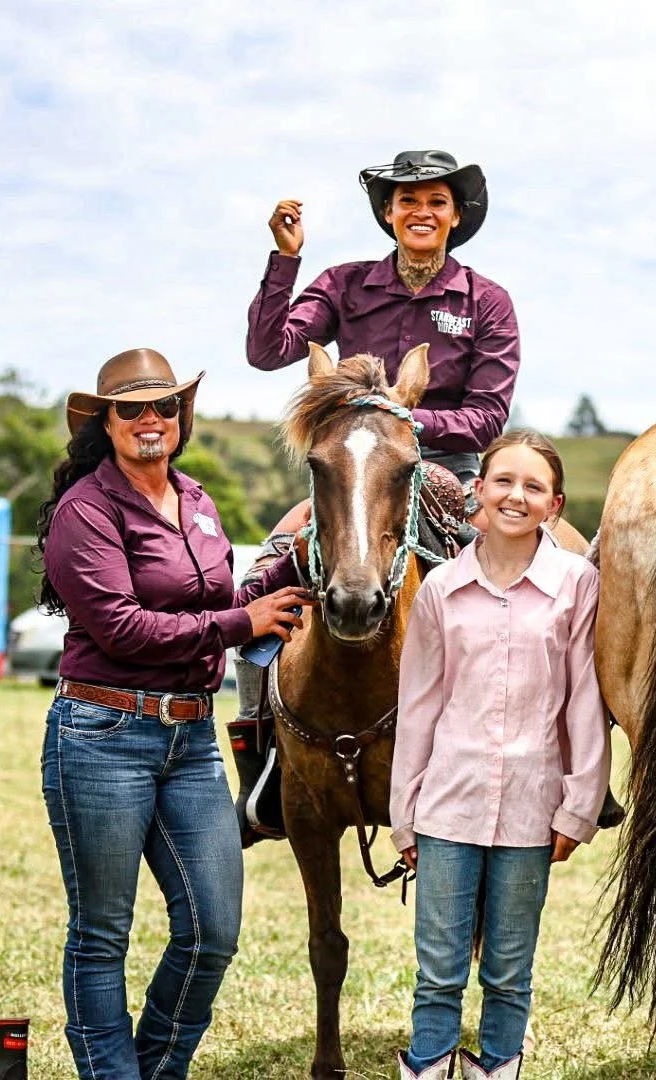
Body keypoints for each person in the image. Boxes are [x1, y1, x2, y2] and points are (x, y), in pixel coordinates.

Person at [37, 347, 316, 1080]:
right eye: (132, 409)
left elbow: (219, 603)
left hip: (189, 737)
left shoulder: (196, 499)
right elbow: (122, 627)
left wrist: (300, 560)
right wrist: (242, 624)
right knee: (102, 933)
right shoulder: (85, 510)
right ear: (106, 423)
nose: (151, 419)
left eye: (165, 406)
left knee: (212, 931)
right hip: (102, 734)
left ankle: (155, 1070)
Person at [232, 149, 521, 844]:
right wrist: (285, 261)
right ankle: (262, 764)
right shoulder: (344, 284)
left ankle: (516, 762)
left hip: (441, 465)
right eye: (406, 200)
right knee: (255, 585)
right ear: (388, 213)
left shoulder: (486, 301)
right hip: (348, 469)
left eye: (437, 201)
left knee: (518, 598)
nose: (421, 211)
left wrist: (400, 426)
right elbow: (268, 349)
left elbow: (487, 415)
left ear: (456, 216)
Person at [390, 431, 610, 1080]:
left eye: (534, 486)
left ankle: (497, 1069)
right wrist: (405, 812)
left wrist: (578, 807)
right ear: (477, 492)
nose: (517, 495)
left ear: (555, 504)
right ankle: (428, 1066)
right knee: (438, 971)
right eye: (504, 481)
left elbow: (583, 703)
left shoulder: (577, 584)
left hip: (530, 809)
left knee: (510, 970)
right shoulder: (440, 591)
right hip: (446, 810)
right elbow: (419, 709)